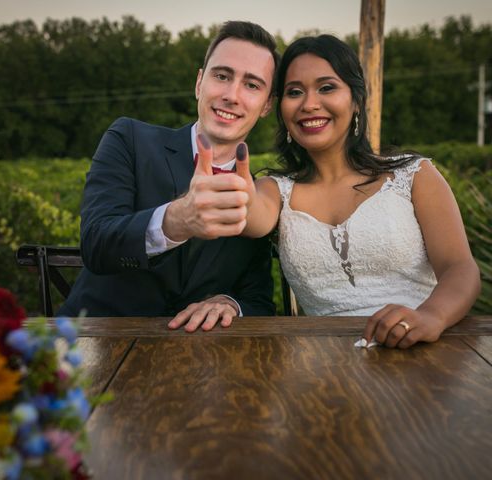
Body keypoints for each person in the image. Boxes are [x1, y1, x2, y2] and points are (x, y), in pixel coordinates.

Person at [230, 34, 480, 348]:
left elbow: (460, 268)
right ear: (281, 108)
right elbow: (253, 214)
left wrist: (431, 316)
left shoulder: (413, 175)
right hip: (325, 370)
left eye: (327, 87)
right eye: (295, 92)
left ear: (356, 100)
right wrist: (233, 192)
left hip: (424, 349)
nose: (309, 104)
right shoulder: (275, 190)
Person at [57, 21, 279, 330]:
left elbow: (260, 302)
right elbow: (96, 243)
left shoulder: (256, 200)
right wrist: (176, 220)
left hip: (194, 364)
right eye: (222, 76)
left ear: (267, 105)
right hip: (95, 344)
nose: (232, 95)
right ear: (199, 83)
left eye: (252, 85)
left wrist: (231, 304)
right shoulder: (129, 138)